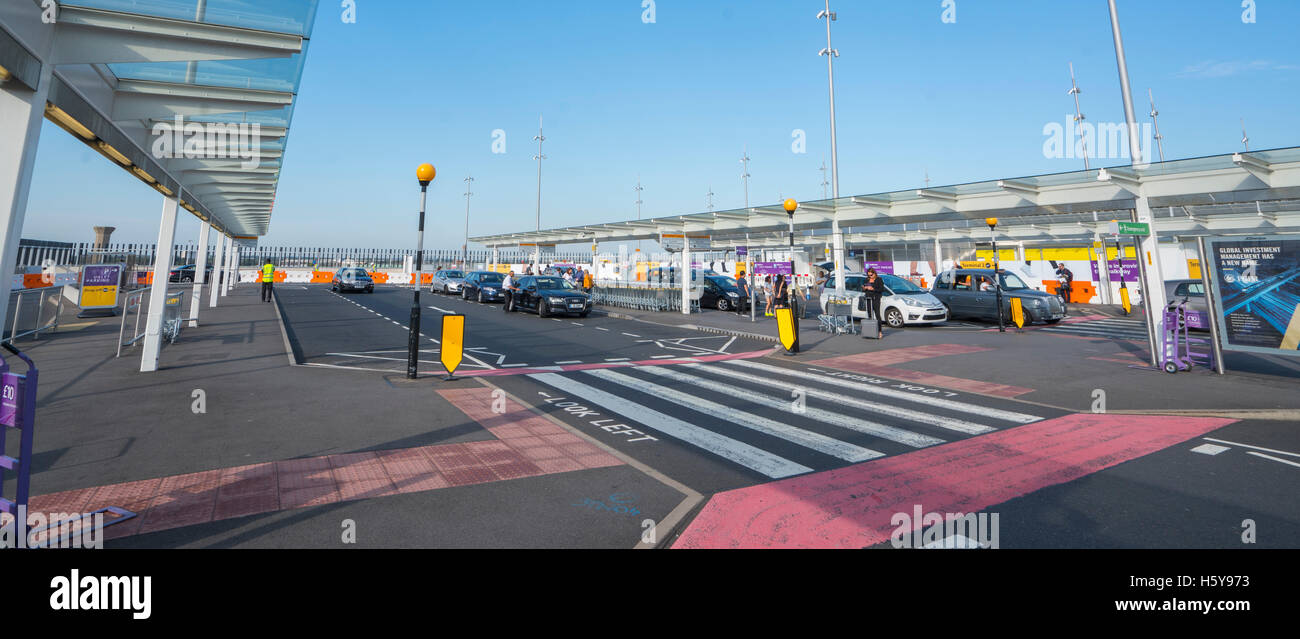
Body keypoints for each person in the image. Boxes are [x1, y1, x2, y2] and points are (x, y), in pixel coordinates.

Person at [861, 268, 885, 339]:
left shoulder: (879, 279)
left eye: (871, 275)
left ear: (874, 273)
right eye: (868, 275)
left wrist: (873, 289)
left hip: (876, 298)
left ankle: (879, 331)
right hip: (868, 298)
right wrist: (864, 288)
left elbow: (882, 289)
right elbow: (863, 289)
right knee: (869, 314)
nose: (870, 276)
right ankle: (871, 331)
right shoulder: (866, 279)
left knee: (877, 314)